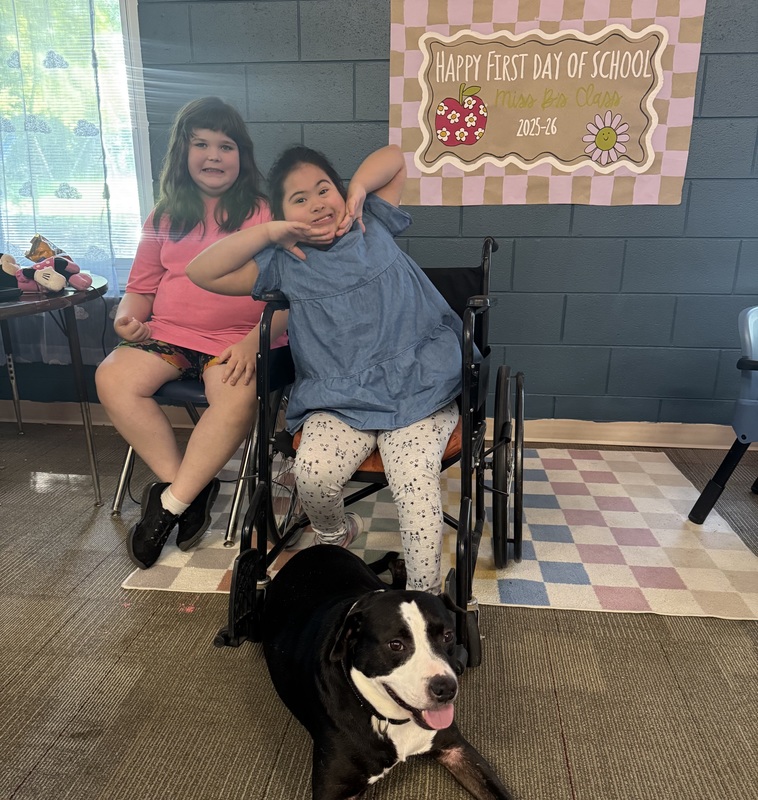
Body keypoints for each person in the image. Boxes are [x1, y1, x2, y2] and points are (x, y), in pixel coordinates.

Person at [186, 144, 462, 594]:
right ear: (283, 216)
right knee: (312, 474)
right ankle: (335, 536)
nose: (316, 203)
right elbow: (202, 272)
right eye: (299, 199)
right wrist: (269, 233)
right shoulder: (285, 260)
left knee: (413, 481)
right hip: (338, 398)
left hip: (416, 385)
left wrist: (358, 189)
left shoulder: (371, 221)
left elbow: (395, 157)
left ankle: (424, 597)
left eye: (323, 189)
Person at [96, 97, 286, 570]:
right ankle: (188, 489)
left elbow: (294, 295)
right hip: (168, 335)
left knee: (237, 398)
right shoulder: (163, 216)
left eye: (226, 146)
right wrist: (126, 318)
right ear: (182, 152)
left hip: (241, 339)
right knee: (113, 377)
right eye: (201, 144)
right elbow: (141, 288)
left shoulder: (266, 214)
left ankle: (168, 505)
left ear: (242, 156)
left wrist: (252, 342)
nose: (213, 155)